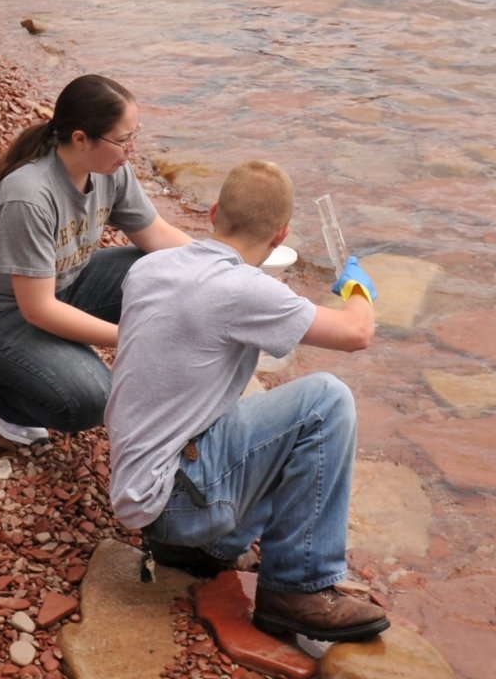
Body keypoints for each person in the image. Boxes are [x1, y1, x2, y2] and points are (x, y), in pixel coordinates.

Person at [105, 160, 390, 643]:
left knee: (252, 412)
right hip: (172, 502)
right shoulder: (242, 288)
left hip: (143, 489)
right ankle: (296, 589)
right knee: (325, 400)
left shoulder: (151, 267)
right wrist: (358, 288)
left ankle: (210, 550)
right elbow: (356, 333)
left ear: (215, 211)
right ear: (281, 237)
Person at [0, 74, 193, 445]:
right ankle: (4, 394)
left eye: (134, 136)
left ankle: (41, 363)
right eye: (124, 140)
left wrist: (225, 267)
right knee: (94, 399)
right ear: (81, 139)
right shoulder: (29, 196)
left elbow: (157, 234)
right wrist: (131, 338)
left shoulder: (111, 171)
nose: (132, 150)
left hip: (63, 282)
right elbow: (39, 310)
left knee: (174, 274)